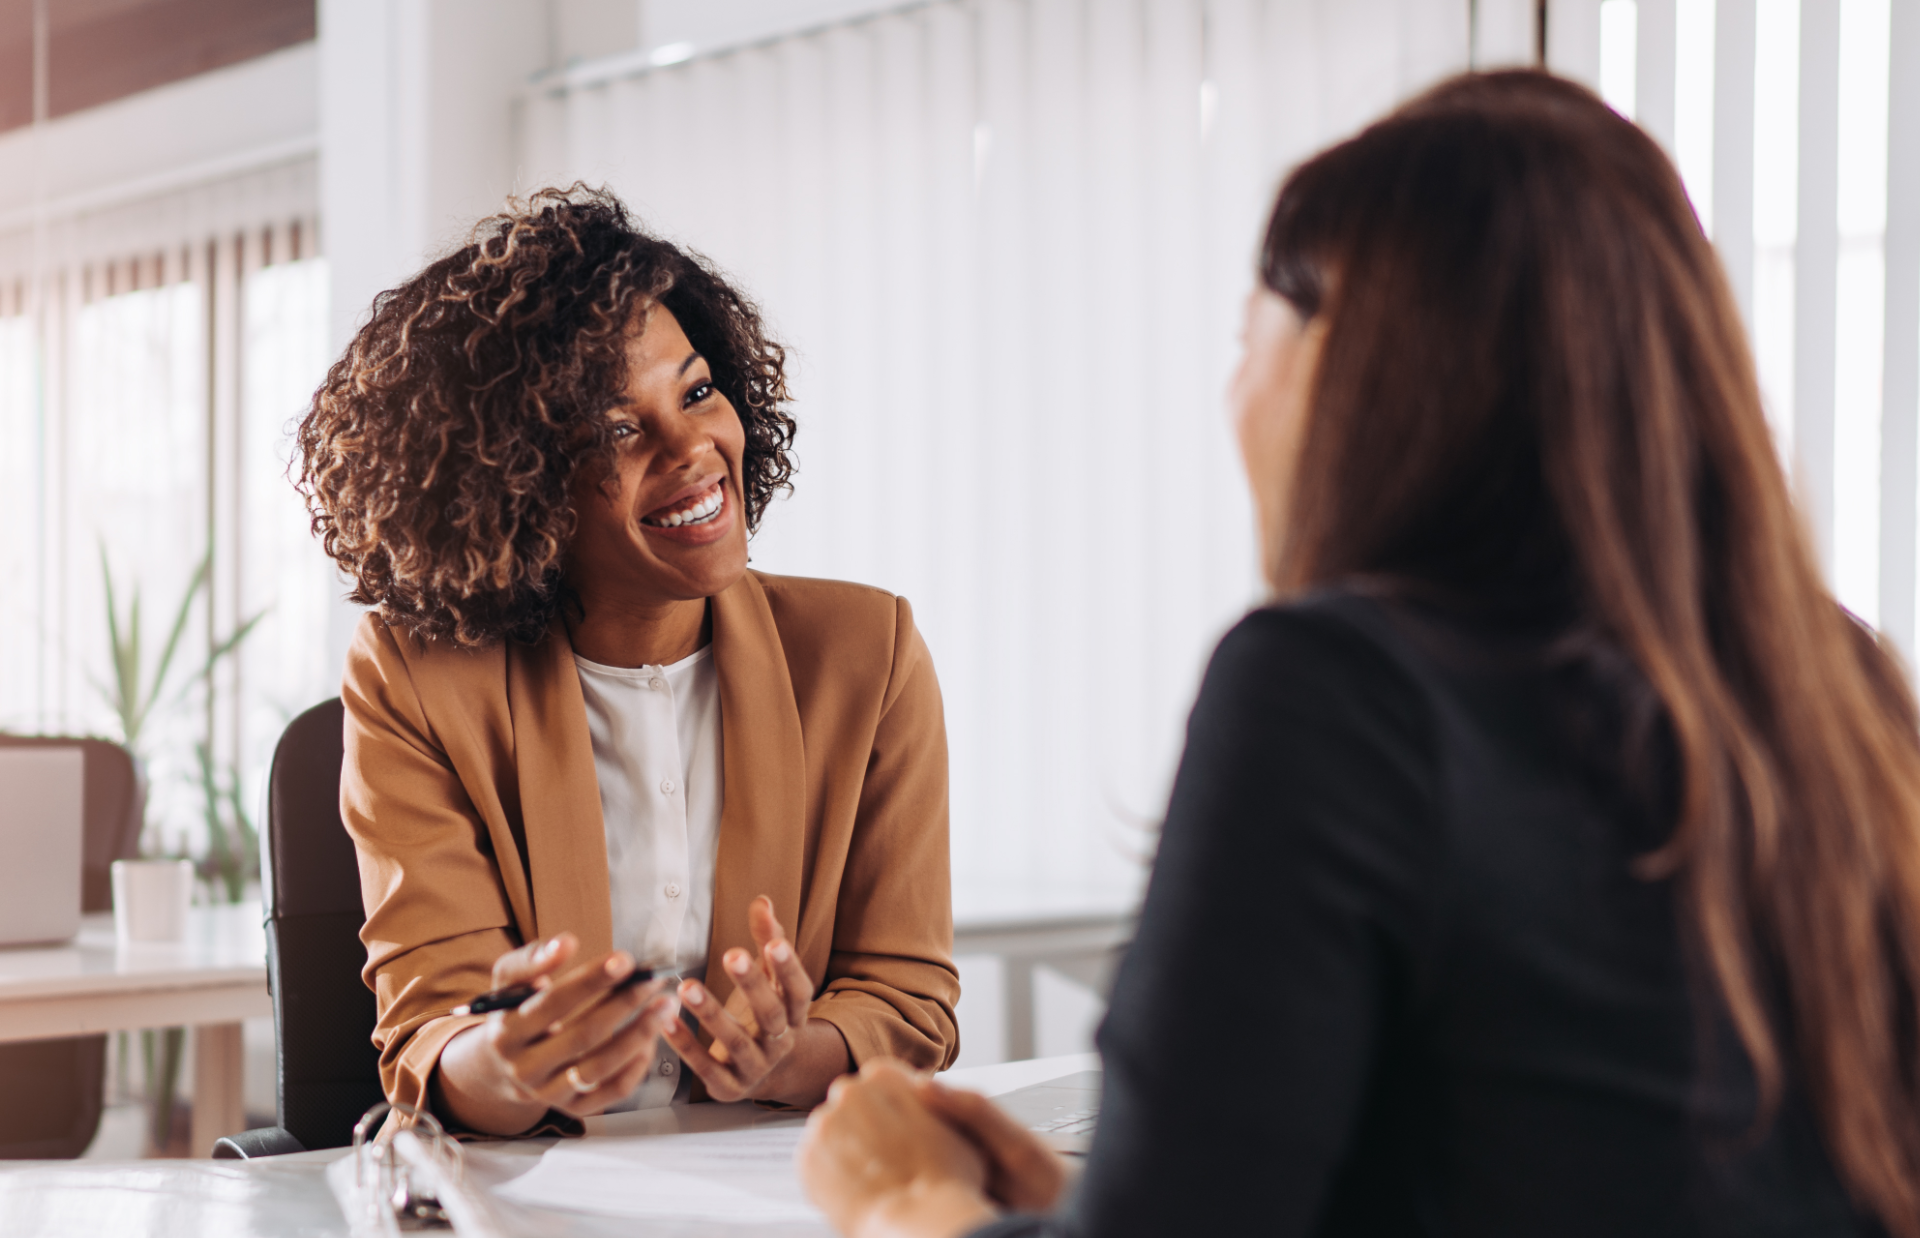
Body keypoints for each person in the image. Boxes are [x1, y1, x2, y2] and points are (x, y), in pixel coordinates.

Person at [797, 70, 1920, 1238]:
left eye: (1249, 337)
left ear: (1357, 364)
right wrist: (1085, 1195)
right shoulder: (1838, 691)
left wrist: (904, 1199)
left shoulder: (1336, 690)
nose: (1235, 389)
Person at [296, 188, 958, 1136]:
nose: (694, 449)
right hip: (529, 1199)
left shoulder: (866, 653)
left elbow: (908, 999)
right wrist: (517, 1060)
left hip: (773, 1194)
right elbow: (431, 1036)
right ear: (515, 484)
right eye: (617, 429)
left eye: (696, 393)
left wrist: (784, 1055)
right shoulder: (416, 677)